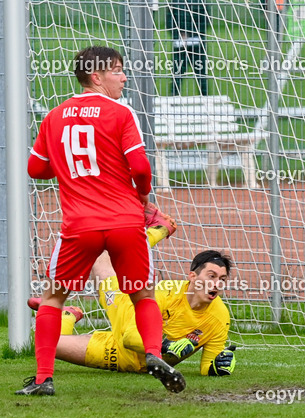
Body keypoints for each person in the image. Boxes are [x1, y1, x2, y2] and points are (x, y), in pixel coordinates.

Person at [19, 46, 184, 396]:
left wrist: (67, 168)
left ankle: (43, 378)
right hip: (126, 223)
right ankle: (154, 354)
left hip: (79, 226)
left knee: (53, 298)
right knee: (142, 295)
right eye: (118, 71)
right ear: (96, 75)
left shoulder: (55, 115)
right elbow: (139, 167)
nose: (124, 77)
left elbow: (36, 168)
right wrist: (143, 196)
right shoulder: (121, 113)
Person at [34, 241, 236, 379]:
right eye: (211, 276)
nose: (217, 284)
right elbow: (130, 337)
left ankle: (66, 317)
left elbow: (207, 365)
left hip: (122, 356)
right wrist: (166, 346)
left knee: (49, 343)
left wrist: (218, 365)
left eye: (222, 279)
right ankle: (64, 313)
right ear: (192, 276)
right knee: (101, 257)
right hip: (123, 310)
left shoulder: (220, 317)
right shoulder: (166, 293)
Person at [167, 0, 210, 96]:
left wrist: (180, 34)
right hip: (197, 42)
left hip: (180, 43)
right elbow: (205, 22)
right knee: (201, 75)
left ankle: (173, 99)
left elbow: (170, 23)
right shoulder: (202, 1)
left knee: (177, 74)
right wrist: (192, 33)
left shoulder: (174, 1)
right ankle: (204, 98)